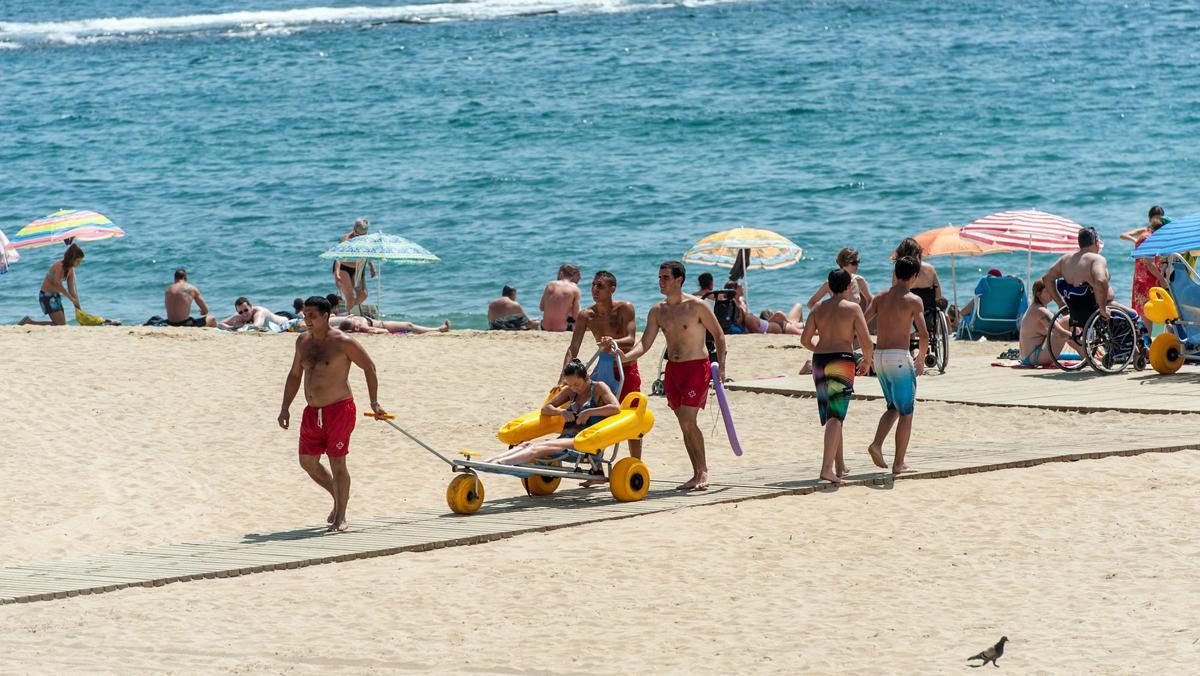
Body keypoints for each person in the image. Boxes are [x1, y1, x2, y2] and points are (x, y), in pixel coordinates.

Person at [277, 296, 386, 534]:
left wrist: (374, 402)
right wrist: (285, 407)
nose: (307, 320)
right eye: (305, 315)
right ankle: (337, 499)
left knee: (337, 462)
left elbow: (369, 367)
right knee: (307, 462)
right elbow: (295, 375)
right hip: (311, 412)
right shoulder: (302, 342)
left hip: (339, 410)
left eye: (312, 316)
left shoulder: (343, 342)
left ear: (326, 316)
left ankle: (342, 517)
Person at [615, 261, 726, 491]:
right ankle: (696, 473)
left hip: (696, 367)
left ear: (679, 280)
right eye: (659, 277)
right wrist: (623, 357)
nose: (661, 282)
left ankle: (703, 471)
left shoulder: (697, 306)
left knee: (688, 419)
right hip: (673, 371)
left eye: (665, 277)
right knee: (684, 423)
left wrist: (721, 367)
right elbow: (644, 344)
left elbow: (719, 335)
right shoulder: (658, 311)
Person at [800, 269, 874, 485]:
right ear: (848, 287)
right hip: (841, 359)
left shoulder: (817, 309)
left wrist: (820, 348)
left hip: (820, 360)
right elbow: (866, 341)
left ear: (830, 287)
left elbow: (805, 340)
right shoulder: (852, 309)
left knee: (832, 414)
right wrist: (867, 361)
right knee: (836, 416)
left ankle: (837, 466)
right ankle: (826, 469)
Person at [564, 270, 643, 460]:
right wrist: (563, 378)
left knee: (630, 417)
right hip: (604, 367)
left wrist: (613, 341)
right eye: (593, 285)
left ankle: (635, 462)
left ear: (612, 289)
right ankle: (596, 466)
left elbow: (631, 339)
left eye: (600, 285)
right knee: (599, 416)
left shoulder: (625, 308)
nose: (594, 289)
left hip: (626, 368)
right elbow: (573, 348)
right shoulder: (586, 315)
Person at [485, 359, 620, 465]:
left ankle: (499, 463)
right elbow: (546, 409)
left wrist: (589, 412)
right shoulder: (570, 391)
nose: (574, 388)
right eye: (570, 385)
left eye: (576, 384)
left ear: (587, 377)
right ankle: (491, 461)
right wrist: (560, 412)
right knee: (526, 444)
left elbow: (615, 408)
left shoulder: (598, 388)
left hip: (582, 442)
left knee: (535, 448)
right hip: (564, 440)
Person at [865, 256, 928, 476]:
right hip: (899, 357)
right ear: (914, 276)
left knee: (893, 406)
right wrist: (920, 359)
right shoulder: (913, 300)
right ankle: (898, 463)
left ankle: (876, 444)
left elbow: (863, 322)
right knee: (907, 412)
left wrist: (866, 353)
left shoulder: (881, 297)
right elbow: (923, 333)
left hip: (879, 356)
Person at [1041, 226, 1130, 324]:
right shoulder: (1096, 259)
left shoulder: (1065, 260)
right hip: (1095, 310)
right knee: (1133, 314)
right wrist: (1103, 308)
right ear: (1096, 243)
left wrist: (1060, 303)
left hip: (1076, 312)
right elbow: (1101, 281)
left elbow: (1046, 278)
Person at [1121, 207, 1169, 323]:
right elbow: (1149, 263)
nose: (1157, 220)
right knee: (1152, 310)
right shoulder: (1149, 236)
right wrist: (1162, 279)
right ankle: (1149, 338)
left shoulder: (1146, 235)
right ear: (1150, 218)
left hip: (1141, 276)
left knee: (1145, 311)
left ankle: (1145, 338)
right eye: (1155, 217)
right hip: (1149, 276)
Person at [19, 243, 84, 326]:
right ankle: (28, 322)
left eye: (80, 261)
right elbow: (57, 284)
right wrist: (71, 298)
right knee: (60, 324)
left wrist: (78, 307)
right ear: (71, 258)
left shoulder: (70, 270)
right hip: (46, 296)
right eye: (78, 261)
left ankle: (28, 322)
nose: (79, 263)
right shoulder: (59, 266)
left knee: (61, 325)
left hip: (56, 296)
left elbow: (72, 290)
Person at [1018, 280, 1071, 366]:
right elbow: (1060, 333)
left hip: (1028, 357)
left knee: (1066, 323)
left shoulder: (1034, 308)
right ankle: (1087, 356)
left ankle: (1087, 355)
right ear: (1038, 294)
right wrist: (1081, 340)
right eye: (1047, 291)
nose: (1051, 293)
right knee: (1067, 321)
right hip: (1035, 357)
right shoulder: (1040, 311)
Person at [806, 247, 872, 312]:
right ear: (844, 263)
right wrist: (825, 316)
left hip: (854, 321)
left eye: (858, 262)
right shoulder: (830, 283)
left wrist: (864, 319)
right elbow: (811, 303)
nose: (857, 265)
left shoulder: (859, 280)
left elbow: (870, 300)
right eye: (854, 263)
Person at [331, 218, 375, 312]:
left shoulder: (366, 240)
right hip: (343, 268)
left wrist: (371, 267)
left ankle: (346, 310)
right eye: (357, 234)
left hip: (358, 268)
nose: (358, 237)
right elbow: (338, 257)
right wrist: (337, 274)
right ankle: (347, 316)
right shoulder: (346, 239)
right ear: (354, 228)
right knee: (350, 295)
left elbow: (366, 254)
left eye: (362, 235)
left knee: (363, 295)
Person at [540, 264, 581, 332]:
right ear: (572, 275)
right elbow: (576, 316)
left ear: (561, 273)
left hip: (544, 327)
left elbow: (541, 308)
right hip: (562, 329)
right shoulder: (575, 288)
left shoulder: (549, 285)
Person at [218, 297, 295, 331]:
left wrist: (240, 326)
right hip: (275, 316)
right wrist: (231, 327)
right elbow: (220, 324)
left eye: (246, 310)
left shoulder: (259, 312)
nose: (244, 314)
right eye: (240, 312)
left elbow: (257, 326)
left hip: (288, 317)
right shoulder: (239, 315)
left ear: (251, 307)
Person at [331, 314, 450, 334]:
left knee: (410, 326)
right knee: (409, 325)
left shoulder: (349, 321)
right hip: (383, 324)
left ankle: (438, 329)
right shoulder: (361, 324)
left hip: (377, 322)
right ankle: (438, 329)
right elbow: (379, 331)